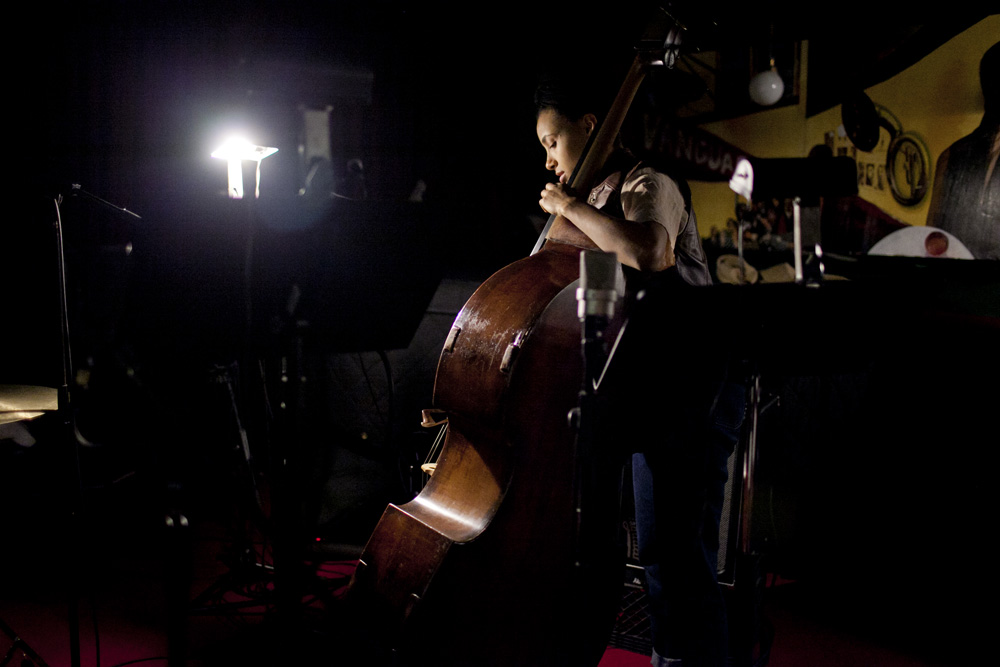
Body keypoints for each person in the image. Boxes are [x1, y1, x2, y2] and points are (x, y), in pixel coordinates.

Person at [534, 79, 747, 667]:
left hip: (693, 386)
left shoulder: (647, 184)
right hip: (635, 390)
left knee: (673, 553)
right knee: (626, 548)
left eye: (553, 140)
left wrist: (570, 208)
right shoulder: (596, 196)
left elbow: (650, 253)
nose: (548, 159)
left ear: (590, 125)